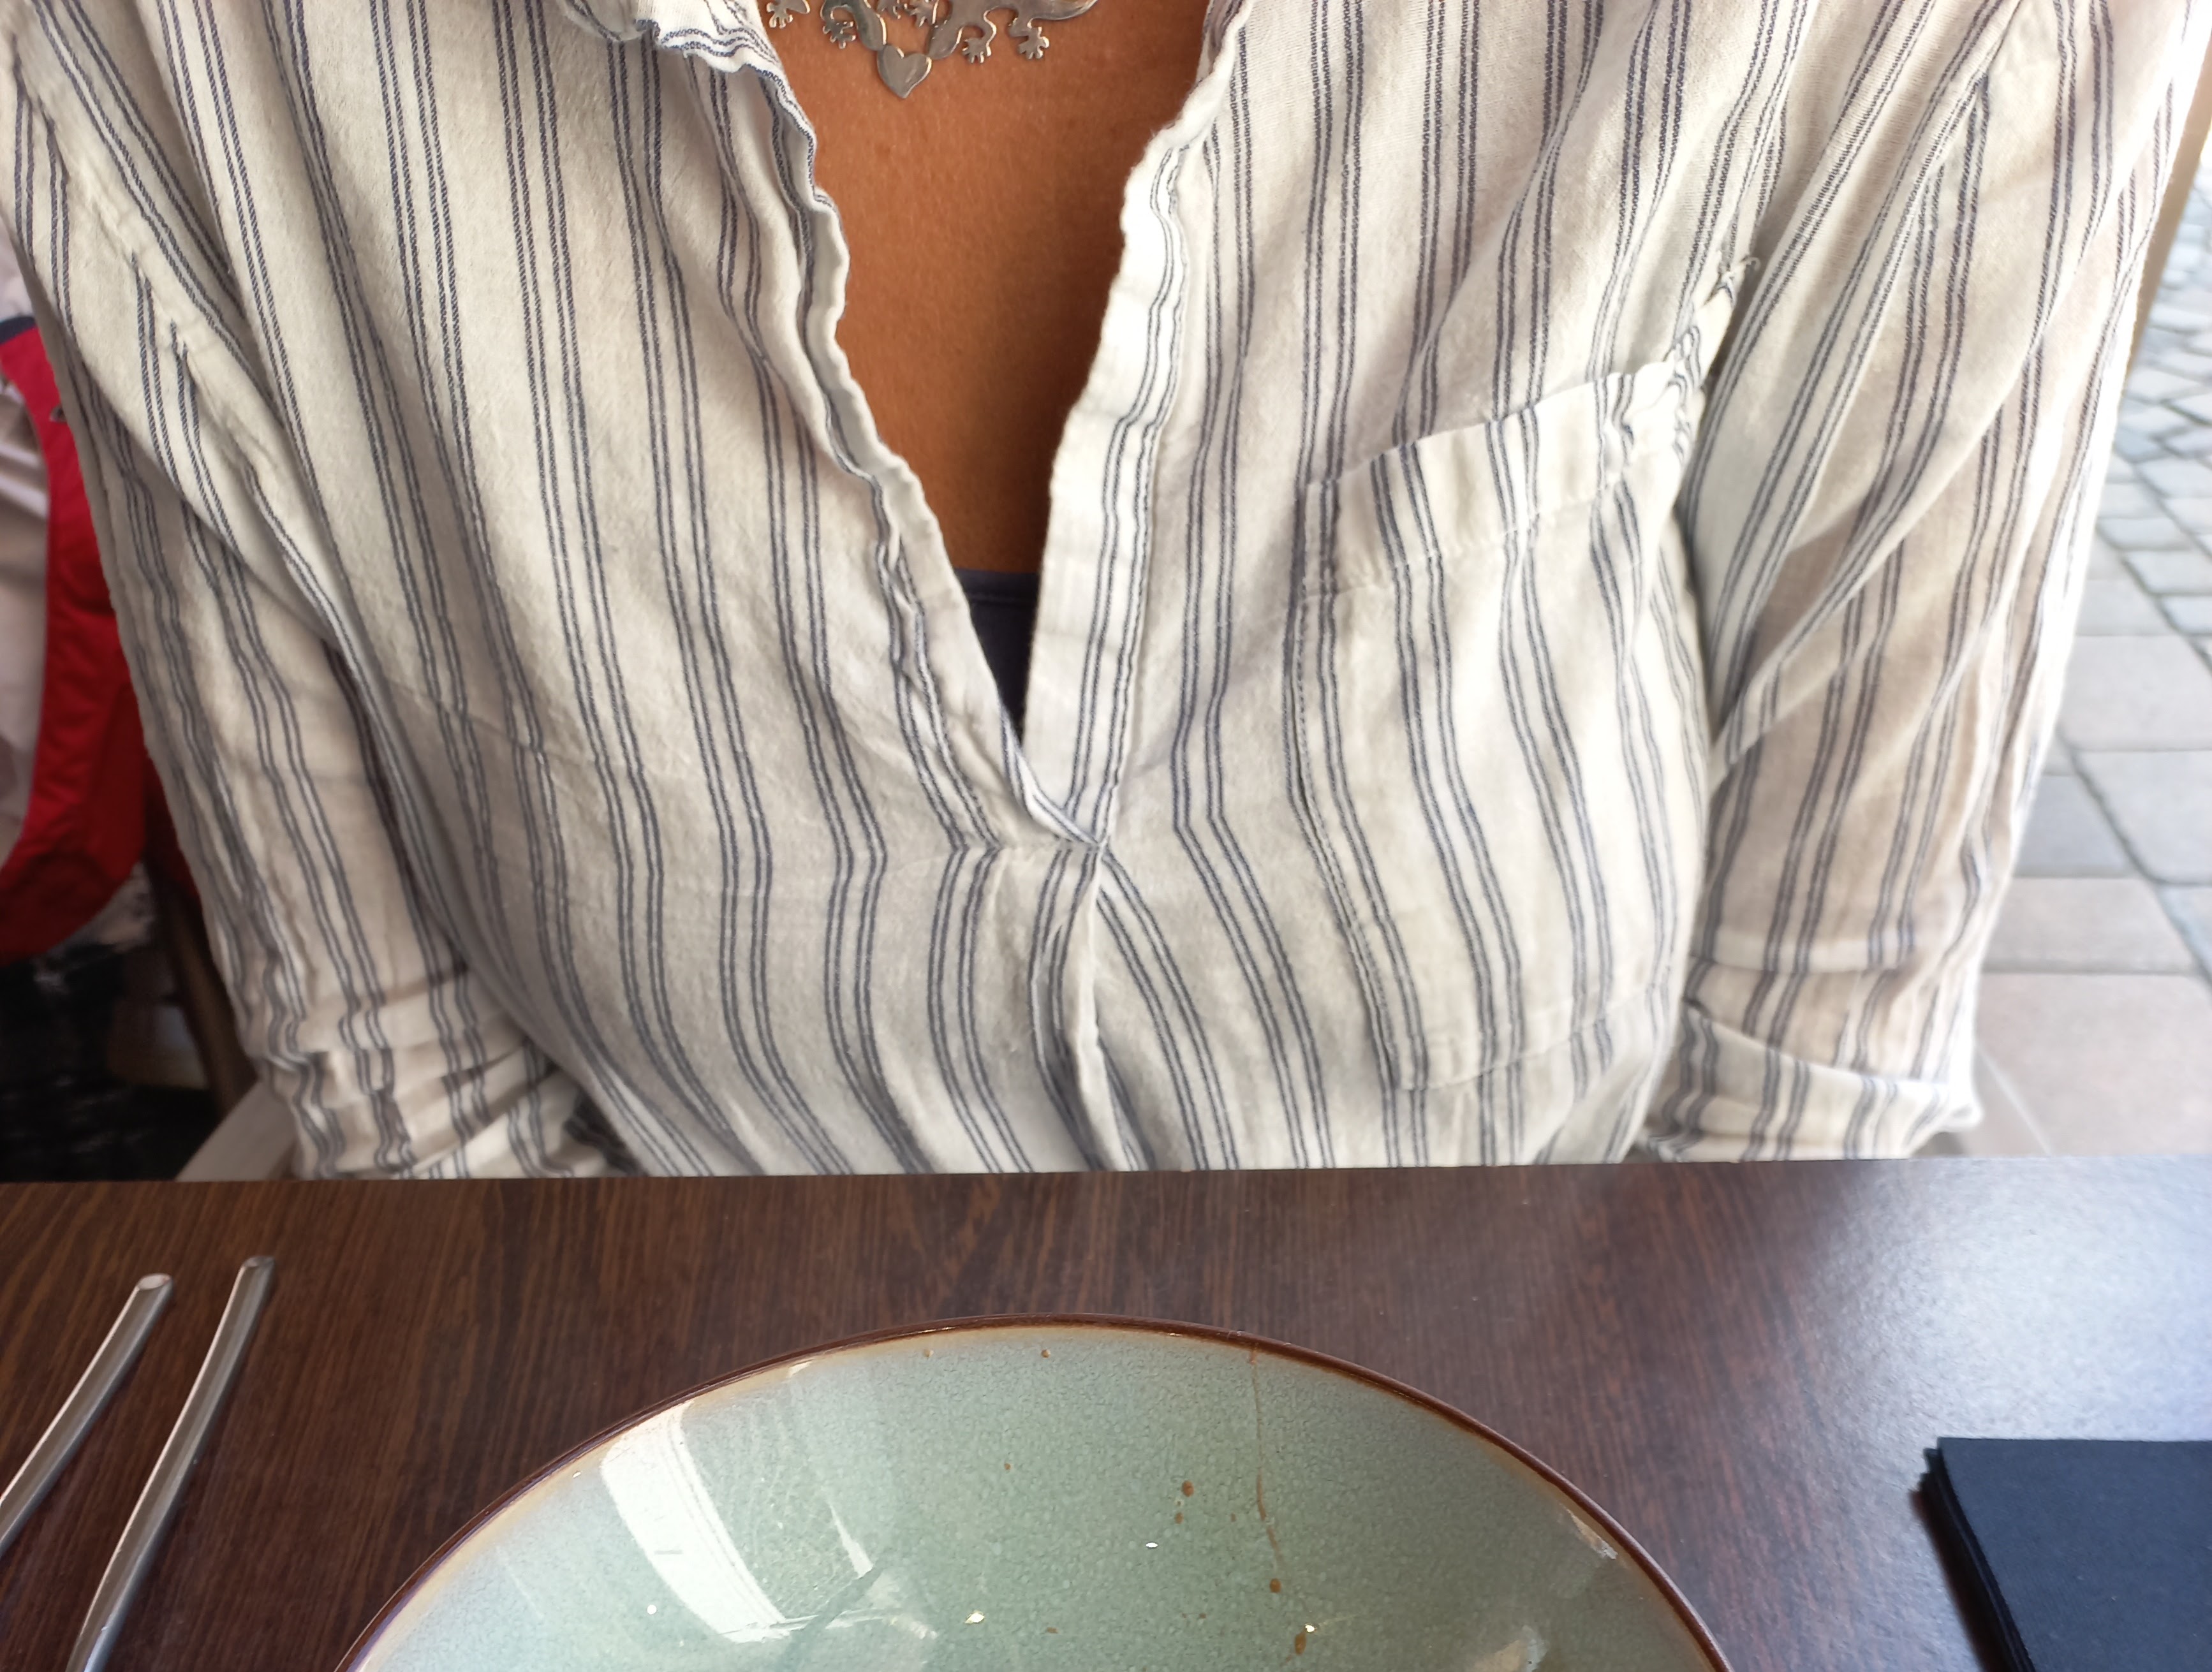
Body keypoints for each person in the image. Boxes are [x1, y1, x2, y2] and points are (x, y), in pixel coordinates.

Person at [0, 0, 2202, 1177]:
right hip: (645, 1469)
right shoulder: (180, 49)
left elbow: (1804, 1100)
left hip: (1559, 1471)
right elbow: (400, 1079)